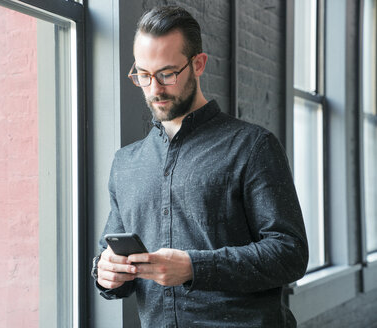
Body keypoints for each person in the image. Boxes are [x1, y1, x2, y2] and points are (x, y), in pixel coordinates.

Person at [91, 5, 308, 328]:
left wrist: (195, 266)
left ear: (198, 64)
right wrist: (106, 272)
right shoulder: (126, 163)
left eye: (167, 74)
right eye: (144, 75)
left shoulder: (253, 146)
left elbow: (289, 254)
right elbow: (113, 257)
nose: (154, 89)